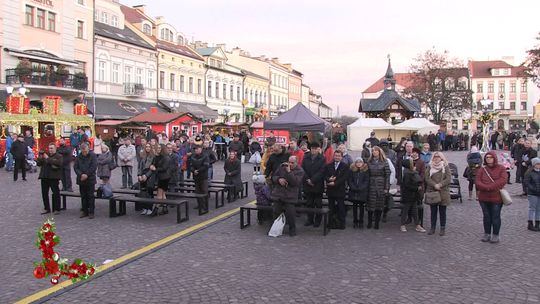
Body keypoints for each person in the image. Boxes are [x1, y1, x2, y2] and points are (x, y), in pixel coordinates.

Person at [475, 151, 507, 243]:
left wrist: (490, 187)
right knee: (486, 216)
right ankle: (487, 233)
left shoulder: (501, 168)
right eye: (487, 157)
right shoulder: (482, 169)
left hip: (496, 197)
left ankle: (496, 234)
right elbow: (478, 181)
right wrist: (485, 187)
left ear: (494, 158)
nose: (488, 159)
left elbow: (502, 180)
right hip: (484, 197)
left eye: (490, 157)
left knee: (495, 216)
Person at [271, 156, 304, 236]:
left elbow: (295, 182)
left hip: (290, 196)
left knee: (290, 212)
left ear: (297, 162)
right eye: (289, 162)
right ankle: (276, 227)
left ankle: (292, 228)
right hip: (279, 194)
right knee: (276, 209)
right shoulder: (282, 166)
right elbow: (273, 177)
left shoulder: (300, 171)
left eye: (292, 163)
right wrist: (279, 179)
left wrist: (289, 172)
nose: (290, 164)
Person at [424, 151, 451, 236]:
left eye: (438, 156)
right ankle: (433, 227)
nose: (436, 158)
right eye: (435, 156)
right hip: (433, 191)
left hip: (443, 191)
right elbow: (427, 178)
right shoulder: (430, 166)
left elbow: (448, 178)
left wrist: (440, 184)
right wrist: (434, 185)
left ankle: (442, 228)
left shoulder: (445, 166)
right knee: (433, 211)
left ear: (441, 157)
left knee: (442, 211)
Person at [302, 142, 326, 227]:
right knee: (309, 203)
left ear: (318, 149)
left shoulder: (322, 158)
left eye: (315, 148)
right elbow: (303, 169)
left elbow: (322, 171)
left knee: (318, 204)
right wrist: (308, 179)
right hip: (307, 184)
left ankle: (318, 220)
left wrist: (312, 180)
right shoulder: (306, 157)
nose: (314, 150)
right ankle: (310, 219)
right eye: (312, 148)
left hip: (317, 184)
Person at [367, 146, 391, 229]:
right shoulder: (369, 161)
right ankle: (369, 222)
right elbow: (367, 174)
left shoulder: (384, 162)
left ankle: (377, 223)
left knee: (379, 205)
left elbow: (387, 175)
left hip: (381, 184)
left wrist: (386, 188)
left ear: (379, 152)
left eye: (376, 151)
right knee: (370, 204)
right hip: (371, 184)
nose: (374, 152)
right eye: (373, 151)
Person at [325, 150, 350, 229]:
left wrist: (335, 183)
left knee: (341, 208)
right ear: (333, 156)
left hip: (339, 189)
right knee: (330, 207)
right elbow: (324, 175)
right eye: (336, 155)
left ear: (341, 157)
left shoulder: (345, 166)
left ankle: (342, 224)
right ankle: (330, 223)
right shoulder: (328, 165)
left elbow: (344, 178)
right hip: (330, 190)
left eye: (339, 156)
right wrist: (329, 179)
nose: (337, 157)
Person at [400, 159, 426, 233]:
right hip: (409, 194)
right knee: (406, 210)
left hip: (413, 195)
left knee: (414, 210)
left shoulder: (409, 172)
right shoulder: (407, 173)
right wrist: (416, 188)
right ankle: (403, 224)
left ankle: (417, 225)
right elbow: (407, 185)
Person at [36, 143, 63, 215]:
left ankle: (57, 209)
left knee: (56, 193)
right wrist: (40, 158)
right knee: (44, 193)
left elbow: (58, 163)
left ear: (55, 149)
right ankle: (46, 208)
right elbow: (39, 164)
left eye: (52, 148)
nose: (50, 150)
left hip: (53, 177)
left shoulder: (59, 156)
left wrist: (47, 158)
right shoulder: (45, 155)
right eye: (49, 148)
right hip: (44, 176)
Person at [74, 143, 97, 219]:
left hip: (90, 179)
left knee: (90, 196)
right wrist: (81, 175)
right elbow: (76, 167)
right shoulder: (78, 157)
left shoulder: (92, 156)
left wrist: (86, 174)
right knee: (83, 196)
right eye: (83, 151)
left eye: (85, 151)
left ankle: (91, 212)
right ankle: (84, 211)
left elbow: (93, 166)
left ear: (88, 149)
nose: (84, 152)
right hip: (81, 179)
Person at [149, 144, 171, 215]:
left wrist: (155, 169)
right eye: (157, 148)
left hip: (164, 177)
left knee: (159, 194)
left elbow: (164, 168)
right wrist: (152, 166)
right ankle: (165, 208)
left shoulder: (166, 158)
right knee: (163, 194)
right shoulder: (156, 157)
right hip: (159, 176)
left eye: (159, 148)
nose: (158, 149)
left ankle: (156, 208)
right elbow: (153, 163)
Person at [348, 157, 369, 229]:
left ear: (362, 163)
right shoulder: (352, 171)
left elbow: (366, 181)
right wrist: (353, 187)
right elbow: (350, 180)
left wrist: (361, 188)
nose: (359, 163)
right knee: (354, 207)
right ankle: (355, 221)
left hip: (362, 192)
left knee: (361, 207)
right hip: (354, 191)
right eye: (357, 162)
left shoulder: (365, 171)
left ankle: (361, 221)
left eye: (360, 162)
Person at [137, 143, 156, 215]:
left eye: (149, 147)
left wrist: (146, 175)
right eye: (146, 147)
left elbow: (152, 168)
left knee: (149, 193)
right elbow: (139, 167)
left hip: (150, 176)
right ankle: (144, 208)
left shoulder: (153, 157)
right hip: (142, 175)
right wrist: (139, 175)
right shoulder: (143, 156)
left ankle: (150, 208)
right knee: (143, 193)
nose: (148, 148)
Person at [190, 145, 209, 213]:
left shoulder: (205, 156)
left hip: (203, 177)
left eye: (197, 149)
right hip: (196, 177)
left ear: (200, 149)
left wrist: (198, 170)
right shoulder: (193, 156)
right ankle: (199, 205)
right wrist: (193, 170)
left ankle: (205, 207)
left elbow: (206, 166)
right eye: (195, 149)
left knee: (204, 191)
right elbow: (191, 165)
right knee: (197, 192)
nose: (196, 150)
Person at [525, 158, 540, 231]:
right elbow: (527, 183)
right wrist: (534, 189)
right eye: (538, 164)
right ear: (534, 164)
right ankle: (530, 223)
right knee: (532, 208)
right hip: (532, 193)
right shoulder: (529, 172)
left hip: (539, 193)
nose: (539, 165)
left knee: (538, 209)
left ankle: (537, 224)